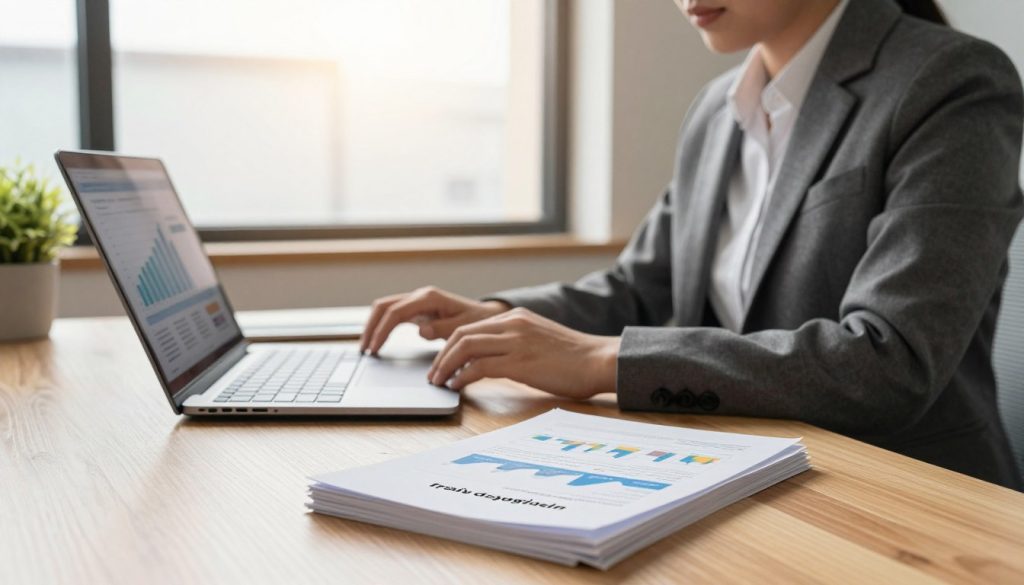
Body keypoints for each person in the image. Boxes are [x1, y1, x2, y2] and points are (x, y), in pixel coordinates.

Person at [358, 0, 1024, 489]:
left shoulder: (951, 81)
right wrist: (493, 316)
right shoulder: (717, 108)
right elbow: (642, 288)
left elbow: (887, 361)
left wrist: (599, 360)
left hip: (903, 494)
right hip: (742, 472)